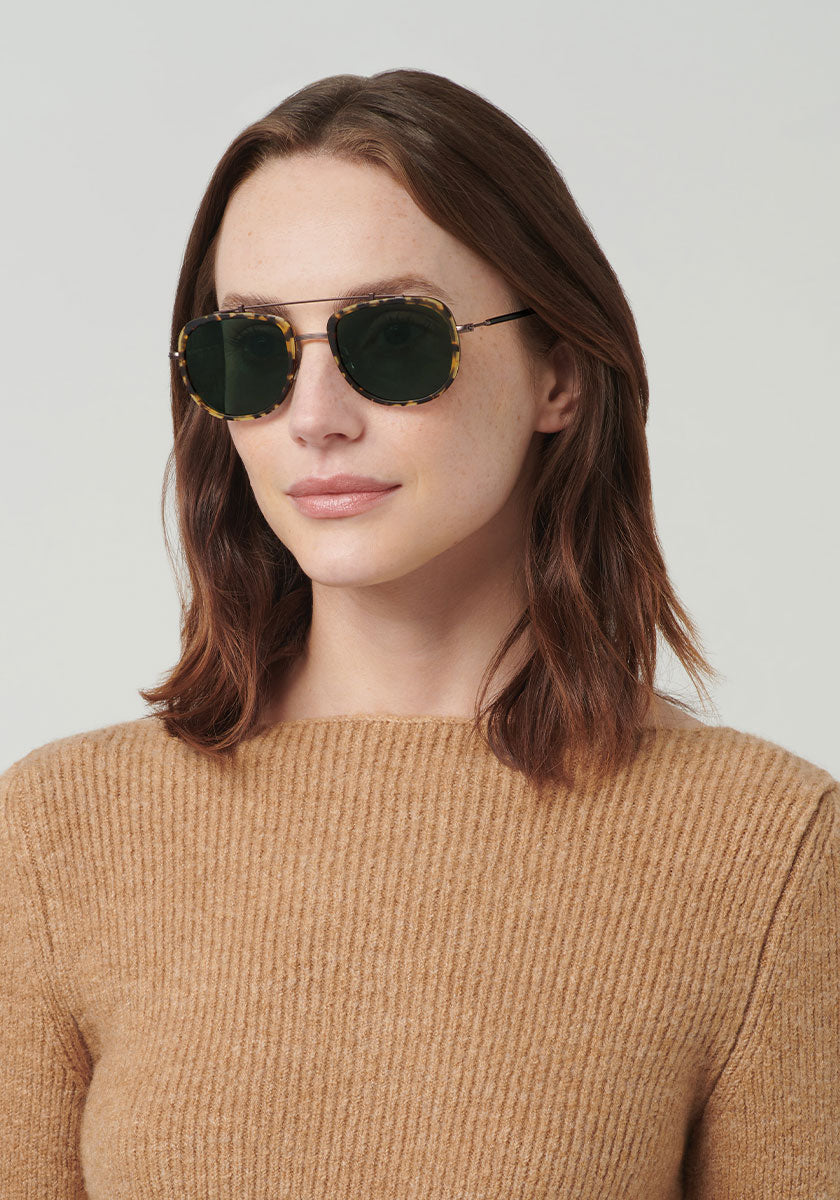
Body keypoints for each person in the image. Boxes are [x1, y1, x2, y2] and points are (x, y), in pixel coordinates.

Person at [1, 68, 837, 1199]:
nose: (314, 418)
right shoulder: (57, 837)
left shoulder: (764, 851)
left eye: (393, 338)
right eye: (253, 350)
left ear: (559, 375)